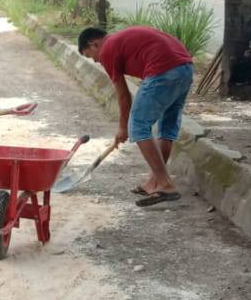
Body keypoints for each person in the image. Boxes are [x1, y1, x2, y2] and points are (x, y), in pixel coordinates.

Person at [77, 25, 195, 207]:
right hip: (184, 69)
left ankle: (165, 184)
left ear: (94, 44)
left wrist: (123, 128)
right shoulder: (121, 40)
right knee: (166, 126)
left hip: (163, 71)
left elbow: (123, 94)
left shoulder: (108, 49)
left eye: (91, 56)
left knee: (138, 126)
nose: (96, 61)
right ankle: (154, 182)